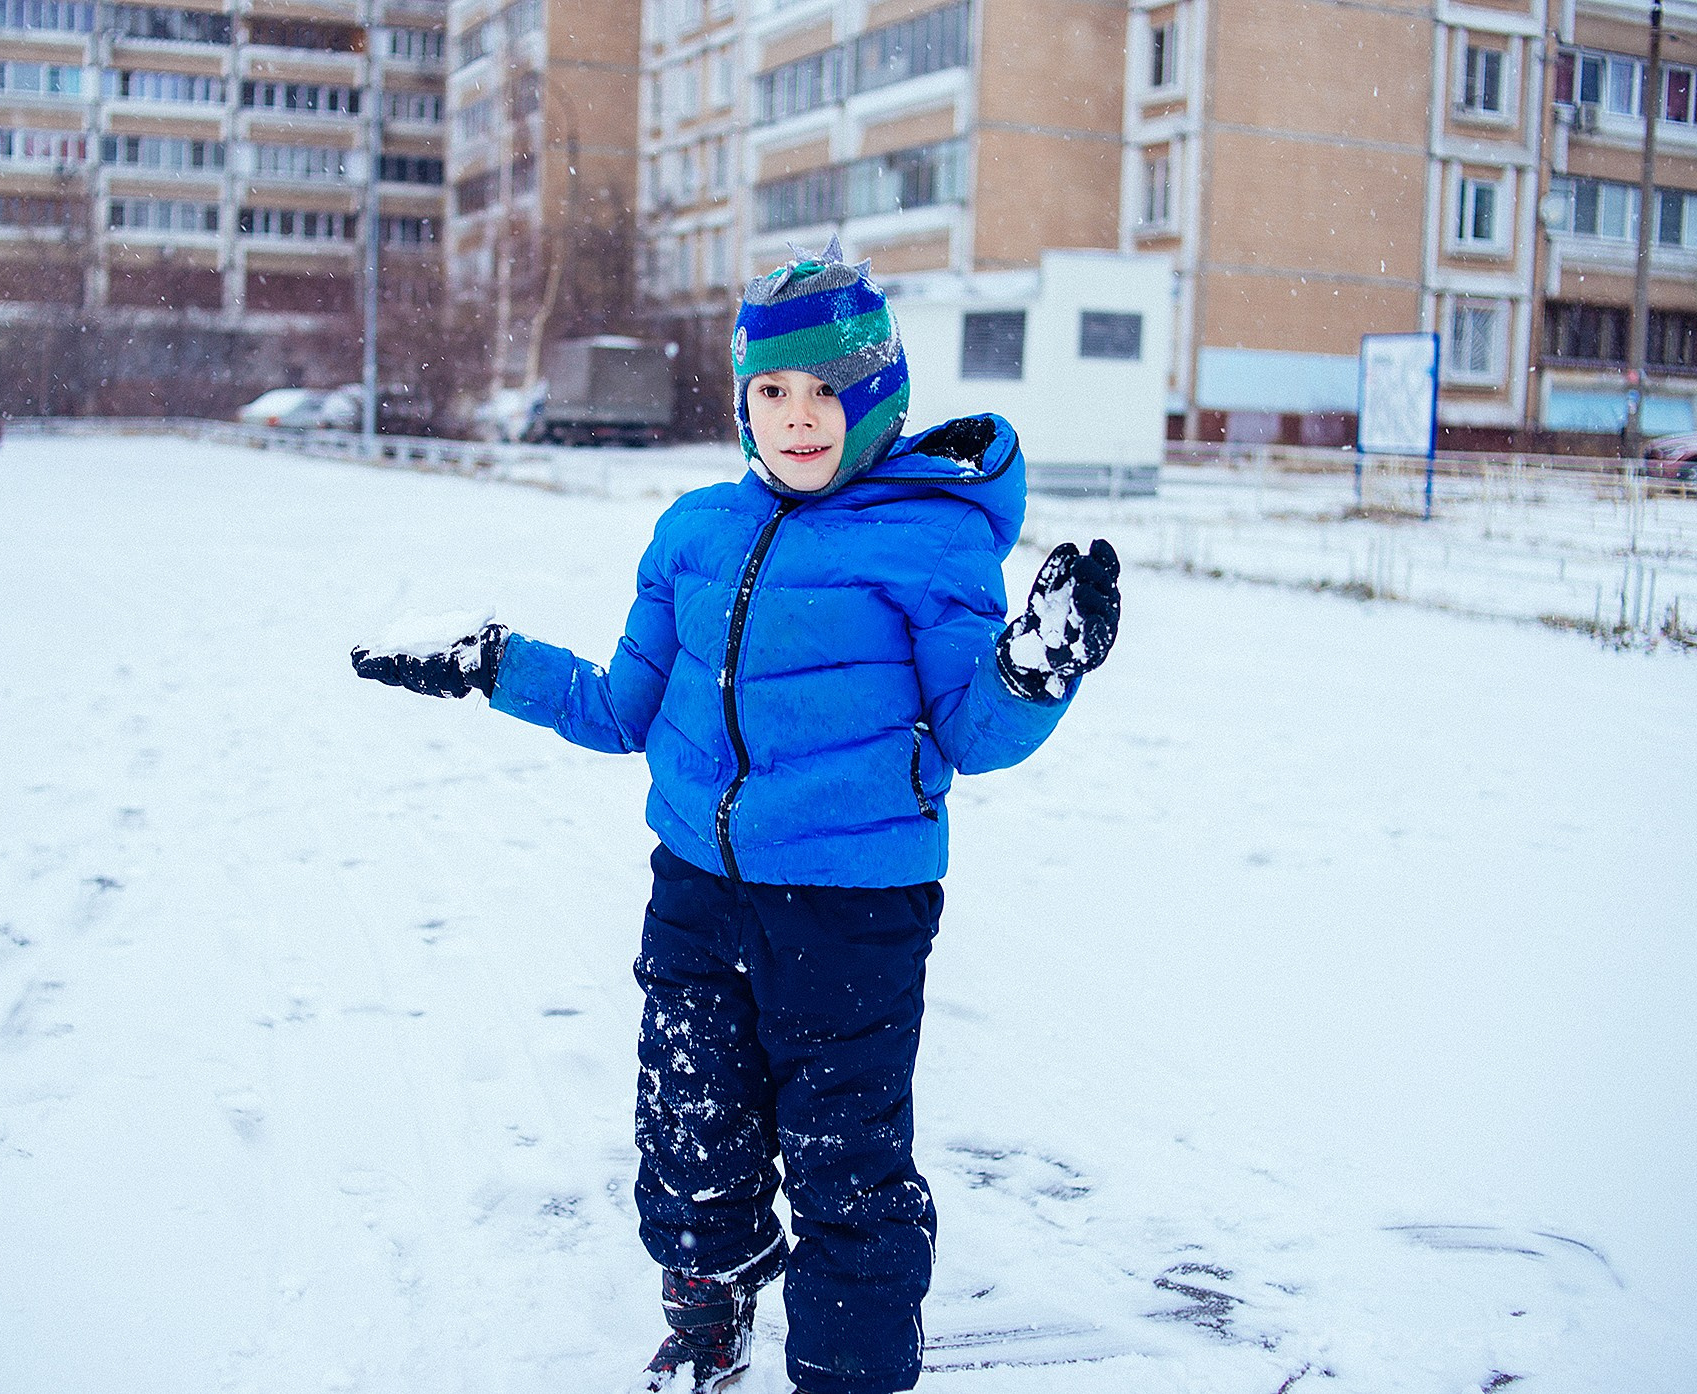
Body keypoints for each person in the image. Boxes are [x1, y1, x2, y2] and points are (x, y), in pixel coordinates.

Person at [351, 242, 1121, 1394]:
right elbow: (620, 707)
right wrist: (493, 662)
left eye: (826, 392)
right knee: (687, 1128)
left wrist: (1031, 672)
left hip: (855, 915)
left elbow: (968, 732)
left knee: (844, 1164)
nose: (798, 418)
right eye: (772, 391)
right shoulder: (694, 529)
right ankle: (708, 1318)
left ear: (877, 397)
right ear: (743, 399)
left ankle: (846, 1374)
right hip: (698, 891)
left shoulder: (929, 538)